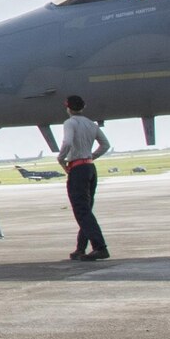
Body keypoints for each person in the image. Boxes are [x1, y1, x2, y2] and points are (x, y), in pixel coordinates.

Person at [58, 94, 112, 261]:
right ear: (83, 107)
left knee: (81, 211)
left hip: (77, 169)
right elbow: (105, 144)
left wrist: (61, 159)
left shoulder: (70, 123)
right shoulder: (91, 124)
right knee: (86, 210)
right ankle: (80, 248)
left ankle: (100, 247)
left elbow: (67, 143)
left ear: (68, 108)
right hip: (90, 167)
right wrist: (92, 156)